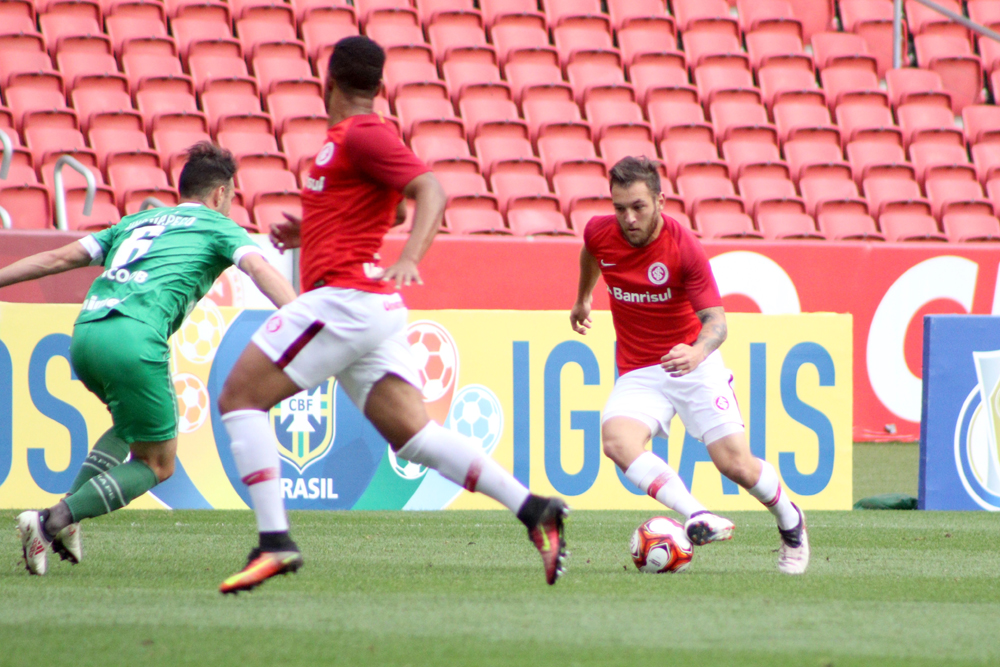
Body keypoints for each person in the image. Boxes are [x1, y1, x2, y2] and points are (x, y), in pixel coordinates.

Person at [214, 35, 569, 594]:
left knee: (239, 399)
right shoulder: (349, 143)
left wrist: (410, 258)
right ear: (380, 85)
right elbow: (394, 207)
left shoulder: (362, 134)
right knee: (415, 437)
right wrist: (313, 230)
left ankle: (274, 541)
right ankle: (534, 509)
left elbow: (430, 191)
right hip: (368, 309)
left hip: (345, 299)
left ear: (327, 81)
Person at [3, 142, 298, 576]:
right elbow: (260, 269)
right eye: (232, 197)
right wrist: (304, 318)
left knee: (129, 428)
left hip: (86, 333)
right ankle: (51, 521)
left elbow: (56, 258)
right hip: (134, 339)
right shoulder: (218, 225)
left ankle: (67, 518)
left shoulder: (135, 222)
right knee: (158, 463)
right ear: (221, 193)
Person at [569, 156, 809, 574]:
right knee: (617, 442)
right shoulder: (599, 232)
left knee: (736, 465)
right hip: (640, 369)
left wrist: (697, 352)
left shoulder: (683, 248)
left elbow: (717, 322)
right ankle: (697, 514)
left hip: (693, 364)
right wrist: (583, 297)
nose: (628, 218)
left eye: (638, 207)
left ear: (660, 202)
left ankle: (791, 523)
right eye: (620, 208)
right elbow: (592, 253)